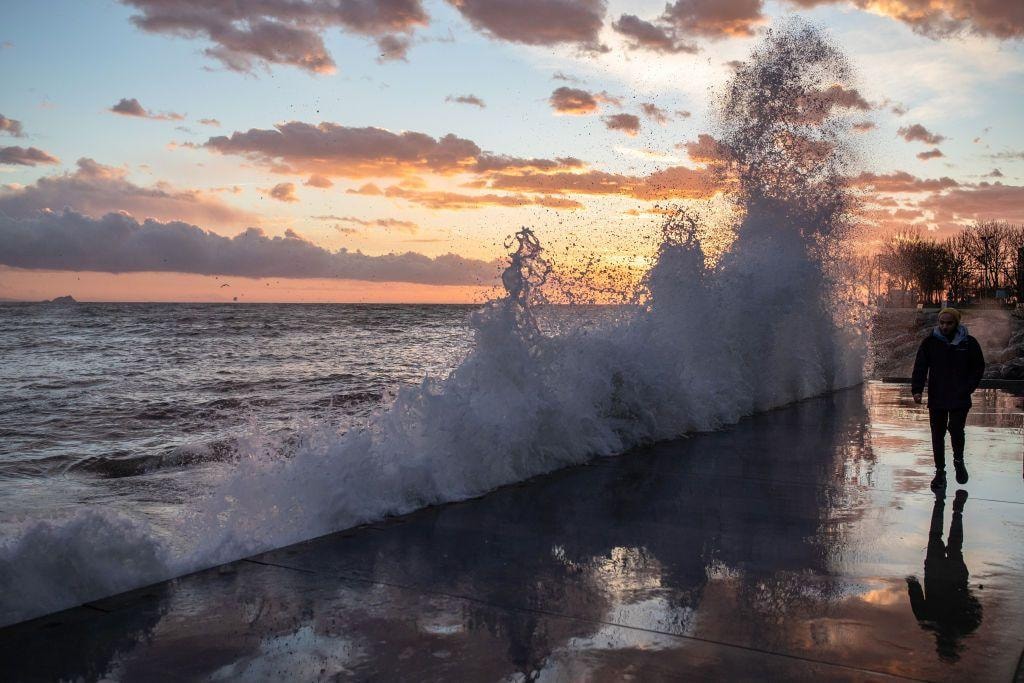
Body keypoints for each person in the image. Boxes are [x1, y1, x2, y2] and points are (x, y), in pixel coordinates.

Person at [911, 308, 985, 490]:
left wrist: (968, 388)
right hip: (938, 395)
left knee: (956, 428)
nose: (945, 326)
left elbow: (978, 367)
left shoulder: (968, 343)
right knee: (937, 433)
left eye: (949, 323)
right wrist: (917, 390)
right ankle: (940, 472)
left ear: (956, 323)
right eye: (942, 323)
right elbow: (920, 366)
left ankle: (958, 461)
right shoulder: (930, 342)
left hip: (960, 395)